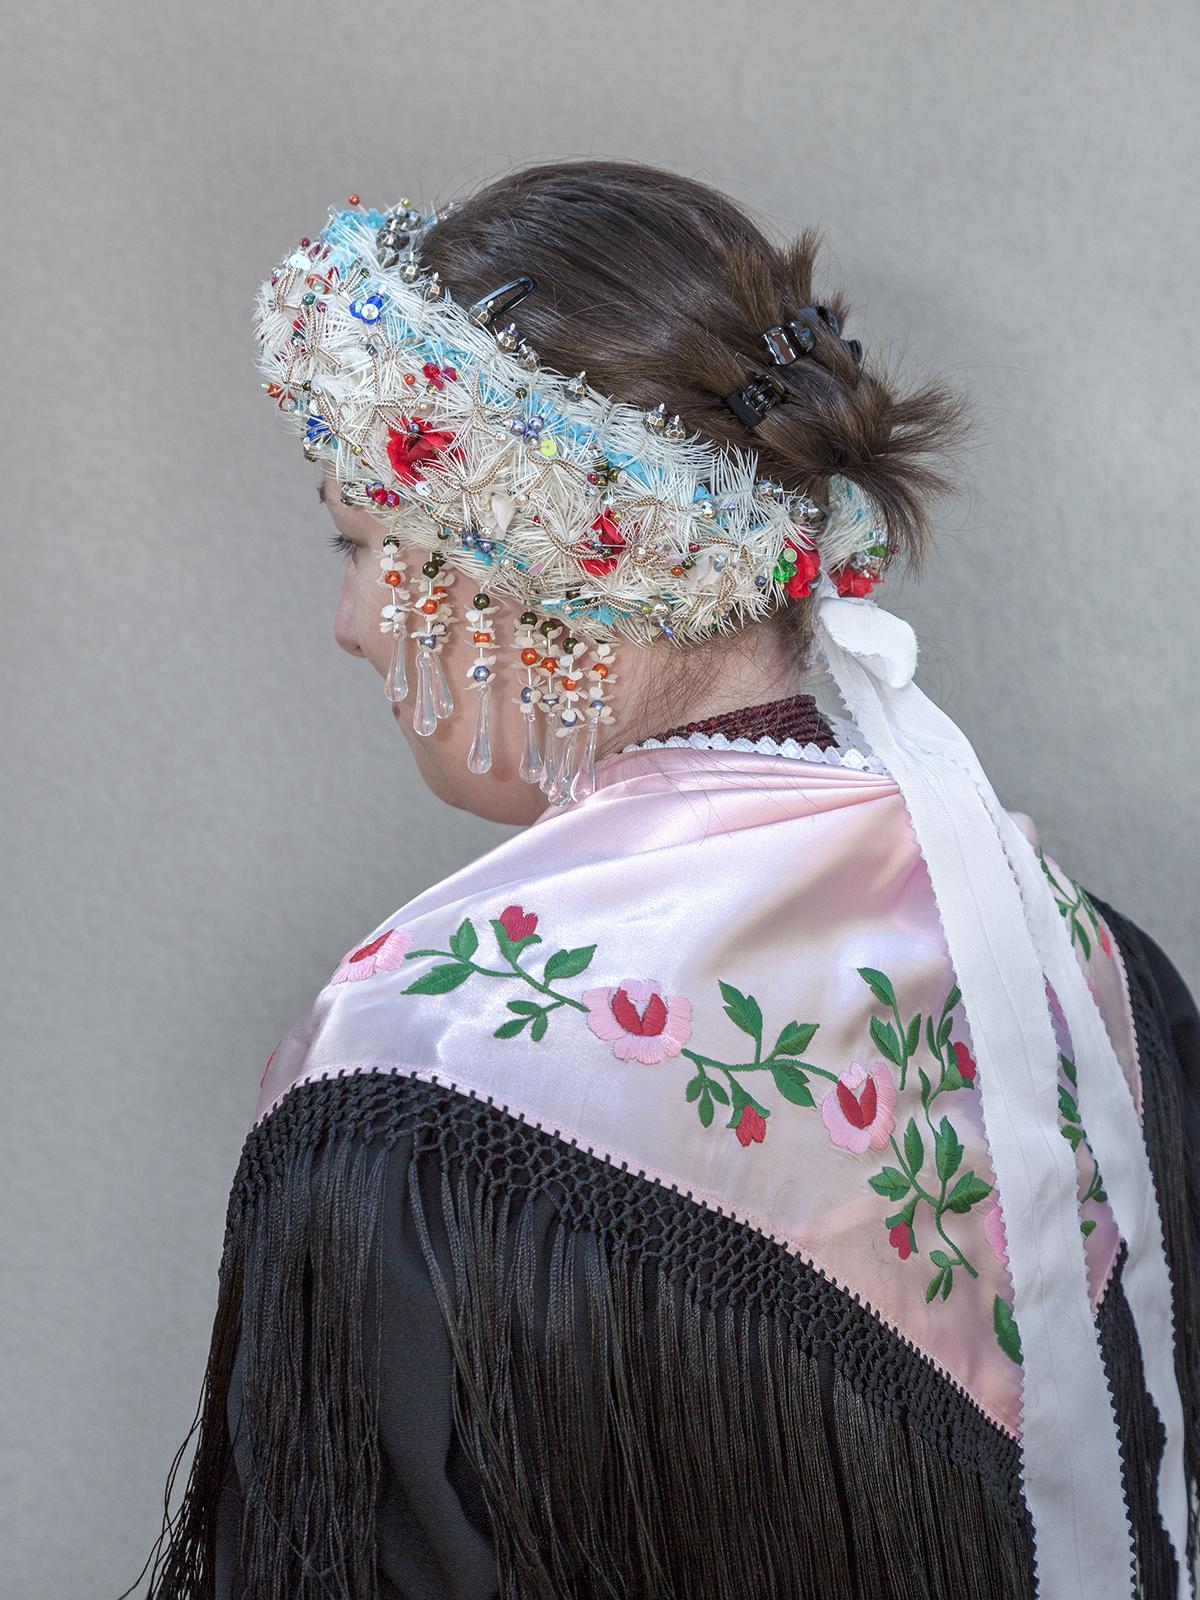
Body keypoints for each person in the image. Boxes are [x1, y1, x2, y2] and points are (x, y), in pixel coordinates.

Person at [128, 160, 1199, 1600]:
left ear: (532, 566)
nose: (350, 620)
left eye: (364, 540)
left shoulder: (431, 1068)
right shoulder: (1084, 965)